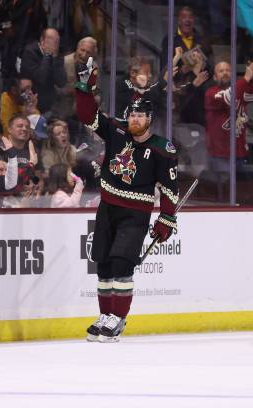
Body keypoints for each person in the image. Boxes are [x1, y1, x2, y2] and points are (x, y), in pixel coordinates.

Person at [75, 59, 179, 342]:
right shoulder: (116, 130)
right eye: (132, 116)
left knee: (121, 264)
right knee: (104, 264)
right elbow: (87, 114)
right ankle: (106, 315)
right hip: (108, 207)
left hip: (135, 214)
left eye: (140, 117)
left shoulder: (161, 149)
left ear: (149, 120)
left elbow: (170, 188)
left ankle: (118, 319)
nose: (134, 120)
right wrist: (84, 88)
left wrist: (167, 218)